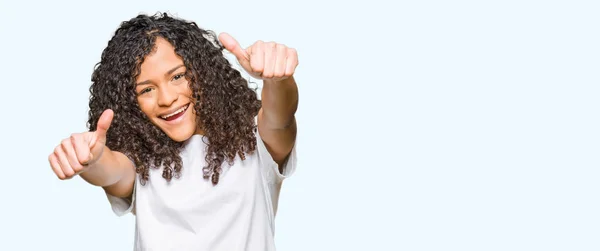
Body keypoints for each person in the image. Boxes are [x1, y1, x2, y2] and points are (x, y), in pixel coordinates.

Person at [47, 12, 299, 250]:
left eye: (177, 76)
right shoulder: (142, 164)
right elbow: (111, 172)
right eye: (146, 89)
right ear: (130, 104)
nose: (166, 98)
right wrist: (90, 159)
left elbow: (280, 119)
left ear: (202, 71)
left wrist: (277, 81)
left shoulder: (254, 143)